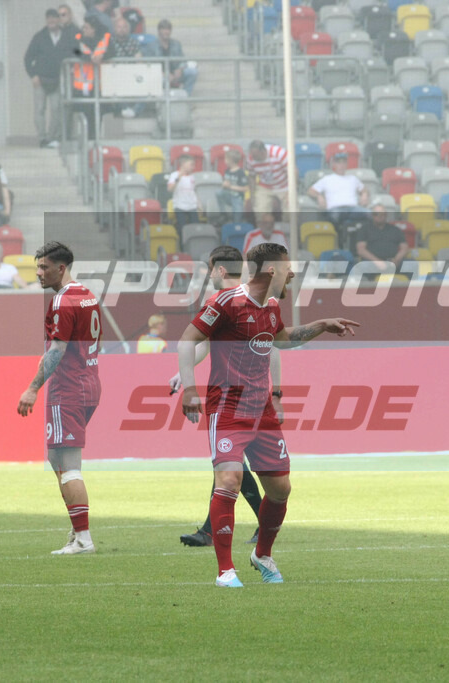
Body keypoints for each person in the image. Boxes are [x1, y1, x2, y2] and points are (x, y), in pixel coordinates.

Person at [178, 242, 359, 587]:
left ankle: (262, 554)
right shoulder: (226, 302)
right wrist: (189, 389)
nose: (293, 272)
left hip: (261, 412)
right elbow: (188, 340)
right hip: (228, 407)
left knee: (280, 489)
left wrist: (321, 324)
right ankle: (225, 570)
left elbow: (283, 340)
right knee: (228, 481)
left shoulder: (272, 306)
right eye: (288, 266)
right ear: (272, 269)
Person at [173, 245, 269, 548]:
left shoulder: (239, 299)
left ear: (220, 270)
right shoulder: (233, 300)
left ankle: (249, 525)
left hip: (238, 397)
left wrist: (274, 389)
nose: (209, 275)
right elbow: (203, 343)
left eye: (210, 269)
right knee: (229, 463)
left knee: (231, 464)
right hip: (238, 395)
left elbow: (271, 346)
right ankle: (211, 529)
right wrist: (184, 372)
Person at [17, 241, 103, 555]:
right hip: (90, 382)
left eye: (44, 267)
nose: (39, 273)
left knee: (68, 465)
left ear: (61, 268)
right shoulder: (87, 295)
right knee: (57, 459)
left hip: (68, 388)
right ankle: (76, 528)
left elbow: (56, 350)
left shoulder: (62, 302)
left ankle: (83, 538)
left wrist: (32, 388)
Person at [25, 9, 75, 148]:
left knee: (56, 109)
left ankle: (53, 138)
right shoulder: (39, 37)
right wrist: (33, 75)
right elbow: (28, 57)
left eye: (54, 18)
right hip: (40, 80)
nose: (51, 21)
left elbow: (76, 50)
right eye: (49, 19)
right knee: (39, 110)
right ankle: (42, 138)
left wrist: (82, 56)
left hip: (58, 79)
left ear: (58, 20)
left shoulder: (67, 36)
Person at [307, 152, 370, 232]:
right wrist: (319, 196)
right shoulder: (327, 179)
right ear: (334, 164)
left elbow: (364, 189)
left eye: (344, 162)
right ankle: (338, 242)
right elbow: (310, 191)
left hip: (353, 209)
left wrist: (364, 194)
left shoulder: (353, 178)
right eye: (338, 162)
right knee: (334, 216)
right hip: (335, 209)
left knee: (370, 214)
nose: (341, 165)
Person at [72, 16, 112, 140]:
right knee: (85, 117)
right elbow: (74, 51)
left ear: (94, 29)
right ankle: (86, 143)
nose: (84, 29)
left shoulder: (106, 38)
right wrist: (89, 59)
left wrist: (103, 56)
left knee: (98, 116)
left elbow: (112, 51)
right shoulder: (78, 39)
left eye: (87, 27)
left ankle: (95, 143)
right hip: (83, 87)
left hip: (100, 87)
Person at [356, 205, 408, 273]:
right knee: (363, 266)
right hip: (372, 262)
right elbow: (361, 250)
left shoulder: (395, 230)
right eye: (376, 214)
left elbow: (405, 248)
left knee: (411, 264)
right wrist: (377, 262)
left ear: (386, 215)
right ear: (372, 215)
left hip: (394, 262)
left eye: (382, 214)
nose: (379, 216)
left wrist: (396, 259)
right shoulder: (364, 229)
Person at [109, 17, 143, 119]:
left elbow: (139, 60)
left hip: (132, 75)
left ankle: (134, 111)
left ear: (128, 29)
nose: (122, 29)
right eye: (119, 27)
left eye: (124, 27)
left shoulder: (134, 43)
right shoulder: (109, 43)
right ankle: (124, 109)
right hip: (115, 75)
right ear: (114, 28)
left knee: (147, 85)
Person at [244, 140, 289, 218]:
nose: (253, 158)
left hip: (283, 185)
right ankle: (262, 227)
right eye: (252, 155)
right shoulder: (250, 158)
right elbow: (252, 177)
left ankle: (289, 228)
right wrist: (252, 195)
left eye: (256, 156)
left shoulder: (279, 153)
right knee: (260, 210)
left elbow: (293, 172)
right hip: (265, 186)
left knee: (291, 210)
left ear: (263, 151)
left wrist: (291, 191)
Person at [155, 19, 197, 95]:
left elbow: (183, 60)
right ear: (159, 31)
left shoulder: (176, 44)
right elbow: (150, 65)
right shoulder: (151, 46)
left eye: (168, 29)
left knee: (192, 72)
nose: (166, 32)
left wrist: (180, 69)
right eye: (164, 29)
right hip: (160, 75)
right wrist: (164, 74)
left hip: (175, 74)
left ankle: (185, 98)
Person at [167, 155, 199, 237]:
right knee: (182, 229)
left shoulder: (192, 177)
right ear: (183, 164)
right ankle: (183, 248)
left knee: (195, 228)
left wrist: (199, 204)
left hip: (192, 206)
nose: (193, 167)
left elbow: (193, 191)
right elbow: (170, 189)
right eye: (191, 165)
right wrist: (178, 179)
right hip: (180, 206)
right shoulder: (174, 175)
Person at [216, 149, 248, 222]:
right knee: (218, 192)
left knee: (237, 219)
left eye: (226, 159)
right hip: (228, 195)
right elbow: (225, 183)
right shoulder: (227, 171)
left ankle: (237, 224)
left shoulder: (241, 173)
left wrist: (230, 187)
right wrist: (224, 185)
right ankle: (223, 214)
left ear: (230, 160)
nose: (224, 161)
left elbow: (245, 189)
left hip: (237, 198)